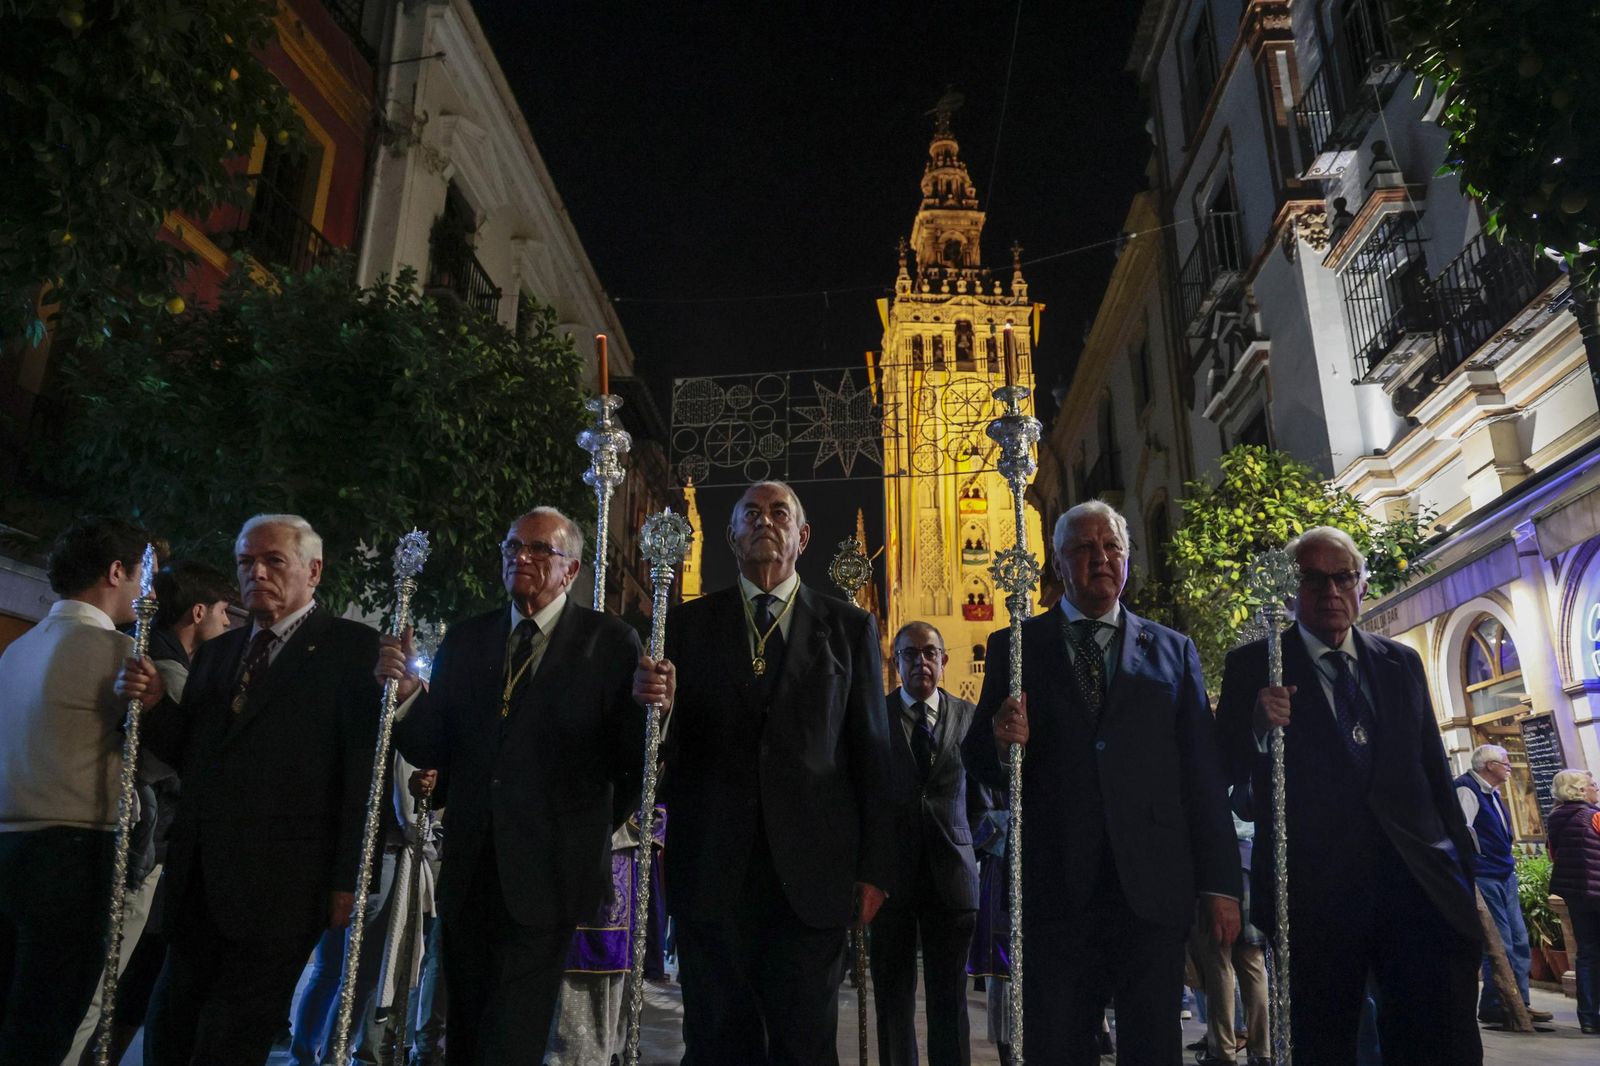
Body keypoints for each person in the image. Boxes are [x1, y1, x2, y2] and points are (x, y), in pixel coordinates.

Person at [961, 500, 1240, 1065]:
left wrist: (1220, 884)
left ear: (1128, 559)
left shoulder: (1173, 650)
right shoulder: (1016, 647)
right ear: (1058, 564)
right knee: (1058, 1045)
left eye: (1112, 546)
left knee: (1153, 1046)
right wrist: (1000, 741)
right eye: (1085, 548)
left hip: (1151, 889)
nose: (1101, 558)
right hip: (1056, 888)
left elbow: (1202, 777)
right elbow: (981, 762)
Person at [632, 479, 893, 1066]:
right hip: (711, 873)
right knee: (717, 1043)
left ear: (803, 536)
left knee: (805, 1048)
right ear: (730, 536)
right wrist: (658, 710)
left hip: (812, 880)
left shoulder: (848, 628)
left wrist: (876, 869)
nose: (764, 522)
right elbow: (662, 752)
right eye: (750, 514)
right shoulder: (686, 626)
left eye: (779, 513)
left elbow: (872, 754)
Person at [378, 507, 645, 1064]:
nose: (520, 557)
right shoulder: (468, 639)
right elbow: (435, 746)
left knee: (512, 1035)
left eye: (539, 549)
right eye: (512, 547)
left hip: (549, 874)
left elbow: (631, 764)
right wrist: (404, 695)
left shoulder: (608, 643)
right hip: (470, 869)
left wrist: (583, 827)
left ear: (571, 570)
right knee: (465, 1032)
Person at [115, 513, 381, 1064]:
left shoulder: (353, 649)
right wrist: (156, 705)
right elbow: (196, 756)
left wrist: (350, 878)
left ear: (313, 571)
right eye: (246, 562)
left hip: (284, 885)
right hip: (198, 880)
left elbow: (361, 772)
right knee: (169, 1027)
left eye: (273, 561)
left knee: (232, 1038)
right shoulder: (220, 651)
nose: (256, 573)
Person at [1215, 525, 1482, 1064]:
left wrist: (1460, 865)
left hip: (1414, 883)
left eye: (1343, 578)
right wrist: (1257, 727)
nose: (1330, 591)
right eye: (1313, 580)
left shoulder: (1400, 662)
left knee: (1434, 1037)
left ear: (1361, 584)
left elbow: (1433, 768)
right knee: (1326, 1043)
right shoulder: (1256, 666)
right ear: (1292, 591)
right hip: (1315, 895)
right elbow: (1221, 768)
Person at [62, 559, 238, 1066]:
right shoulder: (168, 672)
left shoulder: (165, 661)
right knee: (104, 984)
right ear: (198, 612)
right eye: (223, 611)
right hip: (143, 843)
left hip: (139, 840)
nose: (228, 622)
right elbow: (178, 763)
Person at [0, 516, 149, 1064]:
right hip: (71, 854)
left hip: (8, 845)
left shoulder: (18, 649)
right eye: (141, 576)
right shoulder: (116, 652)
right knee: (45, 1024)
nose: (144, 591)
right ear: (116, 571)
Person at [871, 621, 980, 1066]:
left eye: (929, 653)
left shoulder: (969, 716)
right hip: (891, 879)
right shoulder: (874, 716)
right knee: (893, 999)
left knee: (949, 999)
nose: (921, 662)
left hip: (951, 878)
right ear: (896, 663)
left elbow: (981, 799)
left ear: (944, 660)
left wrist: (962, 842)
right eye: (910, 654)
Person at [1456, 743, 1550, 1024]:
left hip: (1504, 872)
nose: (1510, 767)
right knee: (1499, 943)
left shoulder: (1493, 792)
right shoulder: (1467, 789)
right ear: (1489, 765)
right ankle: (1496, 1005)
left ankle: (1520, 1002)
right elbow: (1461, 832)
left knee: (1519, 940)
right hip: (1485, 874)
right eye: (1505, 763)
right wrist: (1476, 863)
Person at [1547, 768, 1600, 1034]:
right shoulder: (1594, 816)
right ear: (1580, 790)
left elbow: (1553, 854)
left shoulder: (1555, 818)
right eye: (1592, 784)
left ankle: (1588, 1017)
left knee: (1587, 954)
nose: (1596, 788)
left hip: (1577, 895)